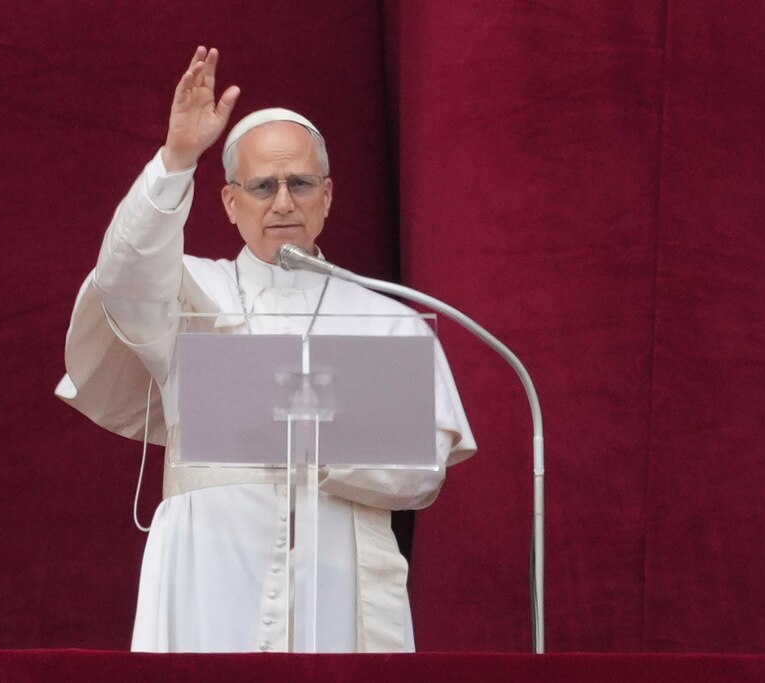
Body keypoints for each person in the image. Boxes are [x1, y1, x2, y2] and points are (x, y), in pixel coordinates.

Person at [55, 46, 476, 653]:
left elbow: (421, 472)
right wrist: (176, 160)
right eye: (262, 186)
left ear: (326, 196)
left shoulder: (387, 319)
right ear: (230, 203)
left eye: (300, 183)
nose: (283, 202)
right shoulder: (188, 297)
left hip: (337, 580)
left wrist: (298, 436)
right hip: (207, 576)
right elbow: (121, 278)